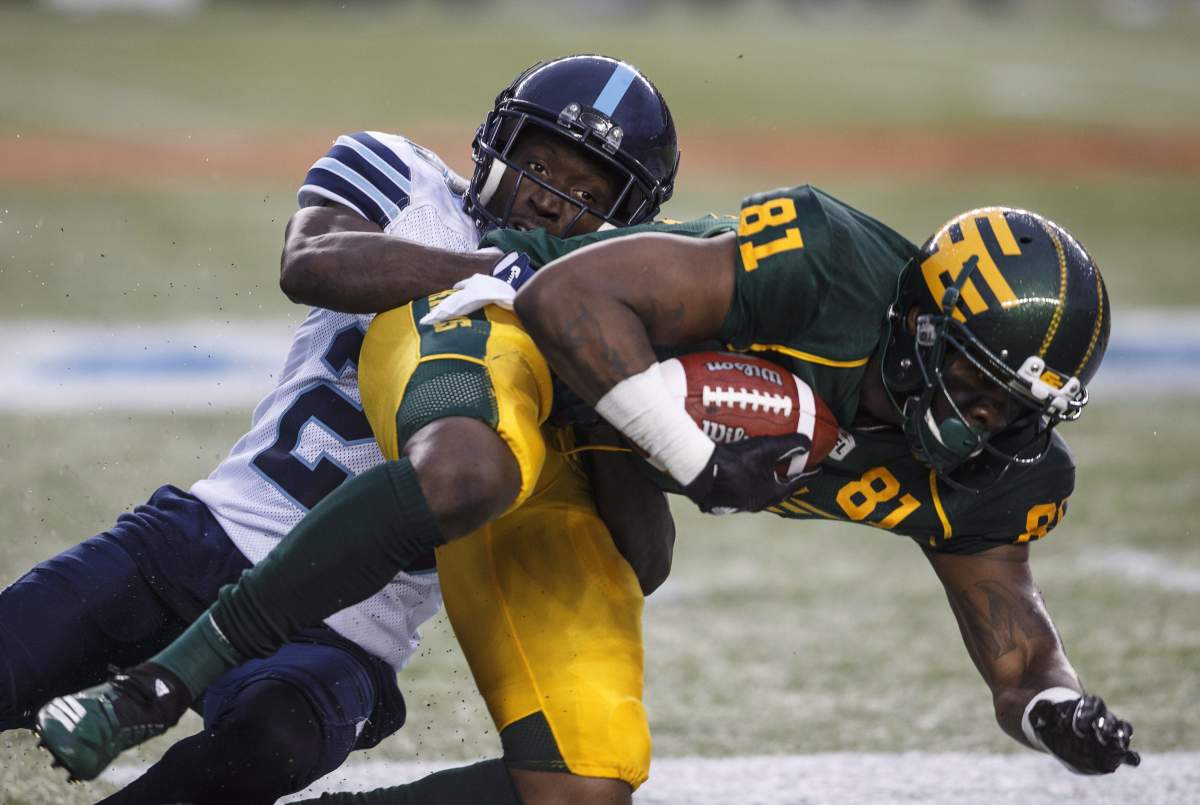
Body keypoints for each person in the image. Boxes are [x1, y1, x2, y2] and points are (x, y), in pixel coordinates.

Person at [18, 54, 679, 805]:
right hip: (199, 538)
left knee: (272, 736)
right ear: (498, 145)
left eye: (589, 193)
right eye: (539, 165)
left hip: (347, 633)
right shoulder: (406, 182)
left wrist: (608, 388)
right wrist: (491, 269)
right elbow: (310, 260)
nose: (553, 203)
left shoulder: (592, 327)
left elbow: (643, 559)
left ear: (624, 223)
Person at [493, 186, 1141, 776]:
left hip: (593, 442)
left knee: (595, 742)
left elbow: (1022, 657)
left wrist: (1057, 710)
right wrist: (696, 460)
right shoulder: (825, 275)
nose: (989, 419)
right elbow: (563, 296)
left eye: (1020, 408)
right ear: (924, 328)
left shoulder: (998, 477)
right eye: (980, 382)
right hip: (512, 322)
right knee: (471, 479)